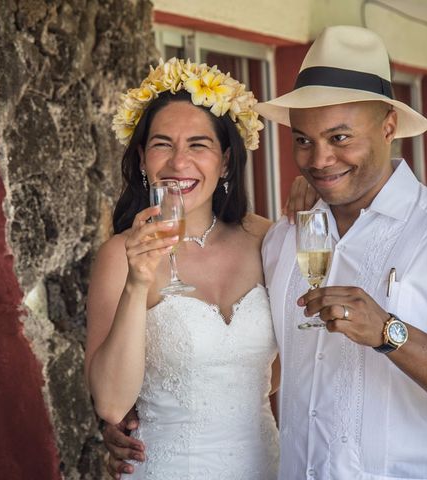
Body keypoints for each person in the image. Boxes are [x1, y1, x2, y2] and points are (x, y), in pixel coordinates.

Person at [105, 26, 427, 479]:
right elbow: (253, 365)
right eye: (304, 140)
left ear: (389, 125)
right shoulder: (283, 238)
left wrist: (390, 333)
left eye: (341, 138)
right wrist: (150, 417)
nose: (320, 159)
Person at [85, 58, 280, 479]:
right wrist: (137, 283)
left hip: (266, 464)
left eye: (198, 144)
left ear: (225, 161)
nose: (178, 162)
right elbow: (112, 405)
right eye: (161, 144)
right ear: (141, 158)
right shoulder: (120, 255)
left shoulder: (269, 241)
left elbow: (293, 360)